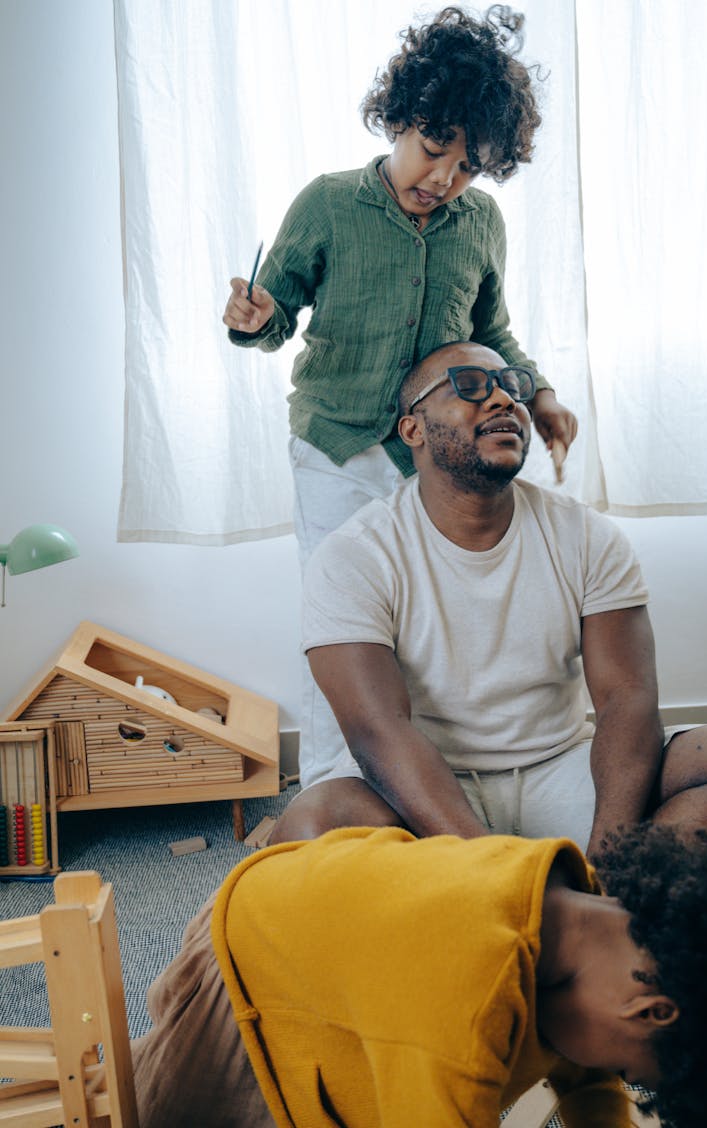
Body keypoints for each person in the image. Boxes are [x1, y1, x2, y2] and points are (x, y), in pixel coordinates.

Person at [222, 6, 578, 781]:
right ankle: (330, 787)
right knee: (341, 623)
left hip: (436, 457)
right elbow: (274, 309)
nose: (444, 177)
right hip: (337, 445)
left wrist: (540, 394)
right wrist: (255, 318)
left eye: (468, 165)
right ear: (399, 120)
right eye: (432, 149)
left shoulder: (480, 222)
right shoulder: (327, 203)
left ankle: (428, 782)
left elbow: (494, 332)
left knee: (432, 622)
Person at [269, 339, 707, 854]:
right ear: (413, 429)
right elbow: (378, 731)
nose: (503, 400)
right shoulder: (354, 555)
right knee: (310, 828)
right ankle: (566, 911)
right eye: (470, 386)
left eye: (512, 386)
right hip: (429, 788)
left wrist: (610, 857)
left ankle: (590, 902)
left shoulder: (587, 536)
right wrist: (490, 867)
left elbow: (625, 698)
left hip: (565, 769)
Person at [133, 823, 707, 1128]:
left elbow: (588, 1084)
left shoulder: (585, 914)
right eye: (626, 1069)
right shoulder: (465, 1003)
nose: (609, 1074)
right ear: (651, 1011)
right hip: (249, 967)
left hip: (335, 919)